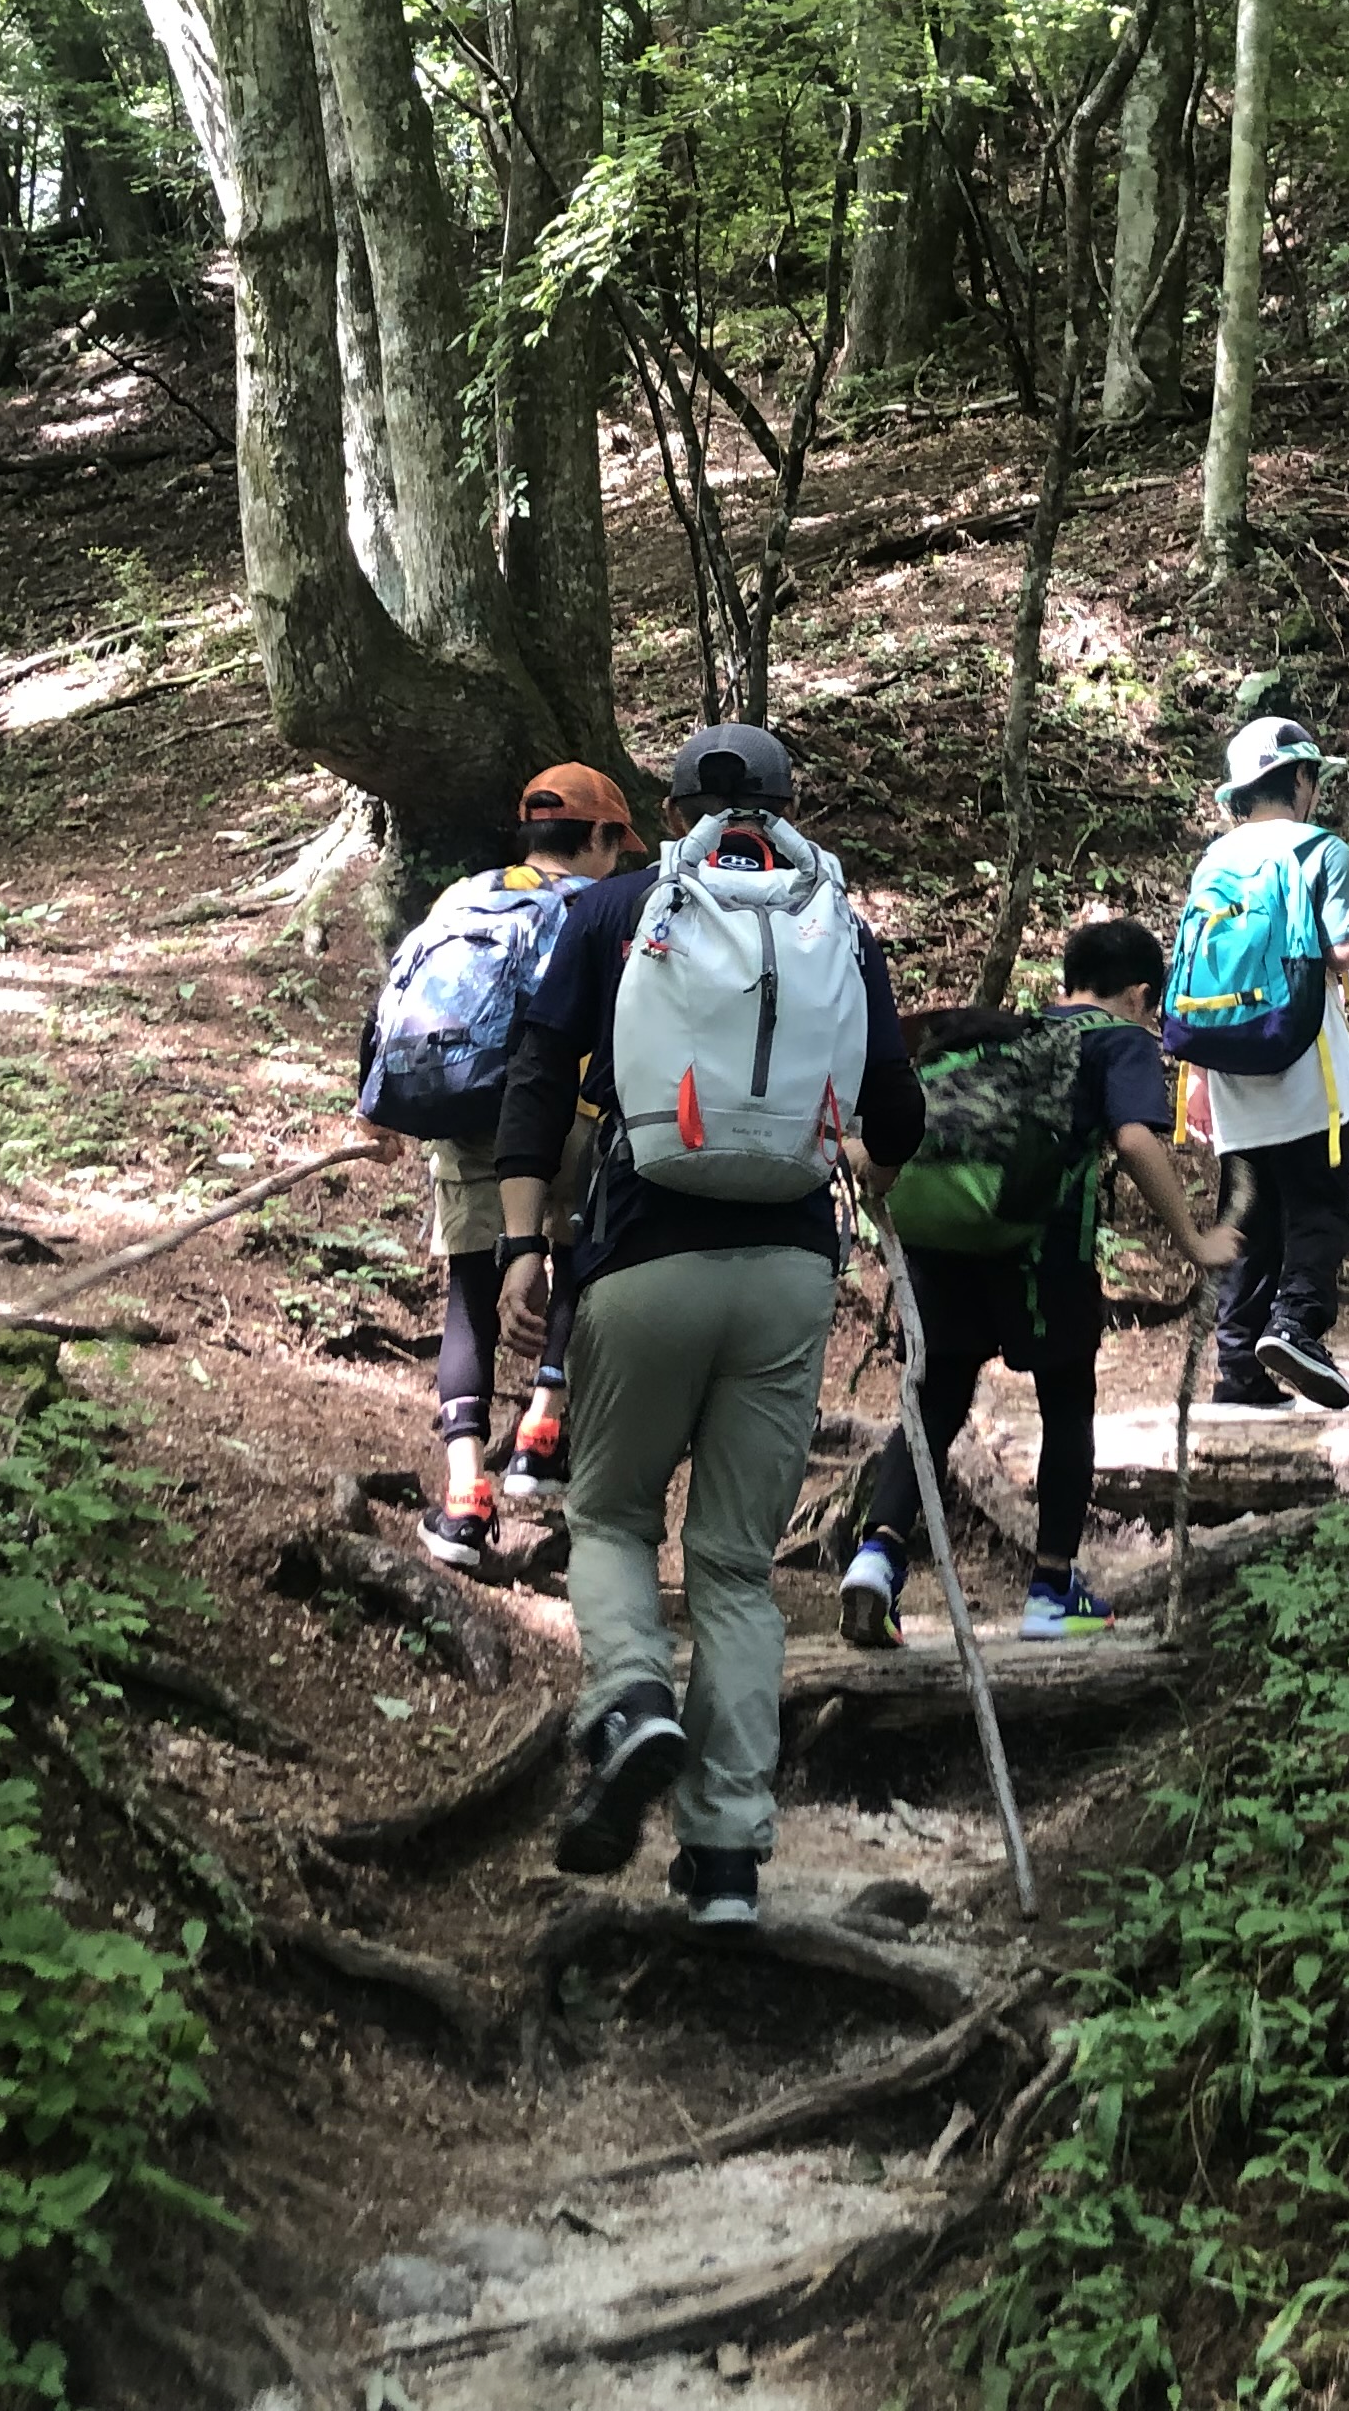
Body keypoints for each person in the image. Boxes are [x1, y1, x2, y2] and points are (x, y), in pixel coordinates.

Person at [491, 725, 923, 1926]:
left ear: (671, 807)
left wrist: (525, 1245)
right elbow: (898, 1114)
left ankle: (633, 1701)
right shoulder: (837, 923)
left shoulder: (616, 909)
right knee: (736, 1564)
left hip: (641, 1257)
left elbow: (536, 1074)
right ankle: (726, 1860)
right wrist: (846, 1157)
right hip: (788, 1269)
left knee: (616, 1517)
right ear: (789, 807)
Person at [842, 921, 1244, 1650]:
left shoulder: (996, 1031)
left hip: (942, 1238)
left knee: (933, 1403)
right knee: (1067, 1402)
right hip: (1040, 1252)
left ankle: (878, 1557)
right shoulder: (1120, 1040)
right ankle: (1053, 1590)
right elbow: (1133, 1138)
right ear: (1142, 993)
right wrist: (1193, 1239)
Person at [403, 764, 644, 1571]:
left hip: (466, 1117)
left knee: (469, 1293)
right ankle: (544, 1425)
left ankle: (465, 1498)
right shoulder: (604, 913)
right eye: (620, 841)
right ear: (602, 837)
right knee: (574, 1259)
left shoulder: (464, 898)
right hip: (567, 1120)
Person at [1181, 718, 1349, 1414]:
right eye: (1313, 778)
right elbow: (1342, 951)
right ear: (1299, 779)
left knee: (1252, 1218)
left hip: (1231, 1061)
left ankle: (1238, 1367)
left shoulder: (1215, 861)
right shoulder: (1321, 848)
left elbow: (1202, 966)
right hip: (1303, 1058)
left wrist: (1199, 1074)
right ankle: (1298, 1326)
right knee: (1325, 1202)